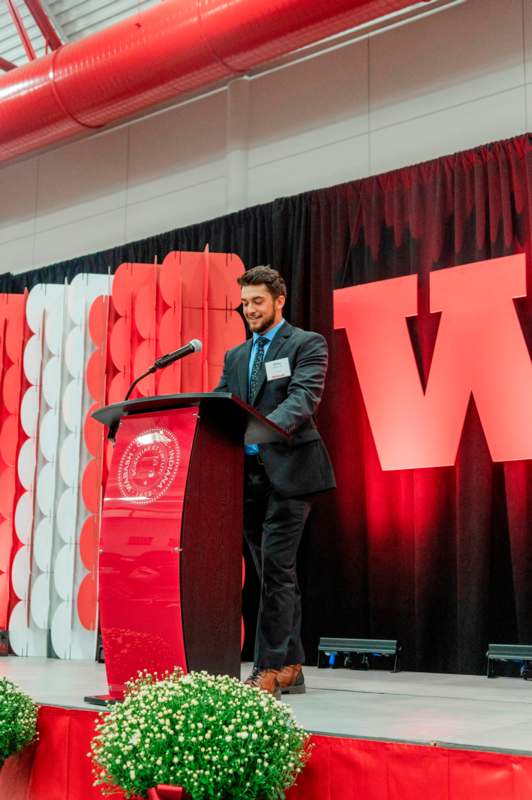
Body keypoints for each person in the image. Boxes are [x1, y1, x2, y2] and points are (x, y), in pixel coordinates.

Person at [215, 265, 335, 700]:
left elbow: (303, 398)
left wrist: (258, 431)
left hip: (292, 474)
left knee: (277, 570)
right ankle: (292, 665)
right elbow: (222, 404)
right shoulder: (235, 356)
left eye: (257, 302)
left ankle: (266, 669)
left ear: (279, 300)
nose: (249, 310)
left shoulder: (306, 344)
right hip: (247, 481)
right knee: (272, 573)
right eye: (244, 303)